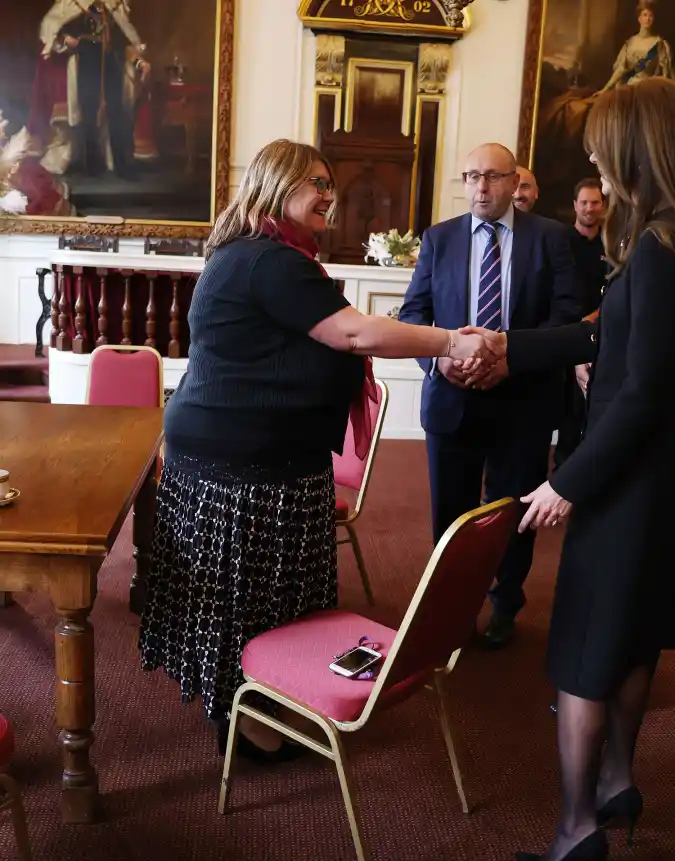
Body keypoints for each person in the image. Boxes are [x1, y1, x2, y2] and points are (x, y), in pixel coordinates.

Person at [138, 140, 501, 760]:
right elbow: (354, 330)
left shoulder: (264, 254)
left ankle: (261, 698)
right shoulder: (268, 261)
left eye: (330, 182)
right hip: (245, 463)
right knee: (249, 595)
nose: (327, 193)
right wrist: (453, 341)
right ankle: (247, 717)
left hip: (248, 453)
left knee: (255, 594)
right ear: (276, 186)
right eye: (313, 182)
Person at [461, 77, 675, 861]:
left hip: (623, 484)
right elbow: (612, 347)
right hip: (672, 481)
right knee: (636, 634)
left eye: (601, 153)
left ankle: (578, 828)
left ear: (637, 149)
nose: (595, 168)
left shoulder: (654, 250)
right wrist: (508, 345)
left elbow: (640, 389)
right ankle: (617, 781)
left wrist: (567, 483)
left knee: (583, 654)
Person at [398, 142, 581, 650]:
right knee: (451, 515)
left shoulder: (551, 239)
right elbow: (413, 316)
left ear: (515, 180)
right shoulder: (440, 239)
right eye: (472, 176)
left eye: (493, 177)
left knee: (512, 511)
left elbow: (565, 321)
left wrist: (508, 361)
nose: (481, 187)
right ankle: (452, 610)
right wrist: (440, 359)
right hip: (451, 401)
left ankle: (505, 604)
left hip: (521, 400)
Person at [27, 0, 154, 177]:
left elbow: (123, 42)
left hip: (113, 63)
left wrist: (139, 62)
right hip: (85, 61)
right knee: (89, 111)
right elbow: (53, 30)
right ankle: (92, 165)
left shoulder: (113, 7)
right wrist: (65, 39)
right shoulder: (74, 5)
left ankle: (122, 165)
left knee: (117, 112)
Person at [554, 177, 607, 468]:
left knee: (586, 409)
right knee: (562, 409)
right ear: (575, 205)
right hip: (563, 333)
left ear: (603, 206)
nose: (589, 208)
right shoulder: (559, 241)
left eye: (595, 202)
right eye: (584, 202)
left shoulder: (612, 245)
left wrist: (595, 318)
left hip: (598, 334)